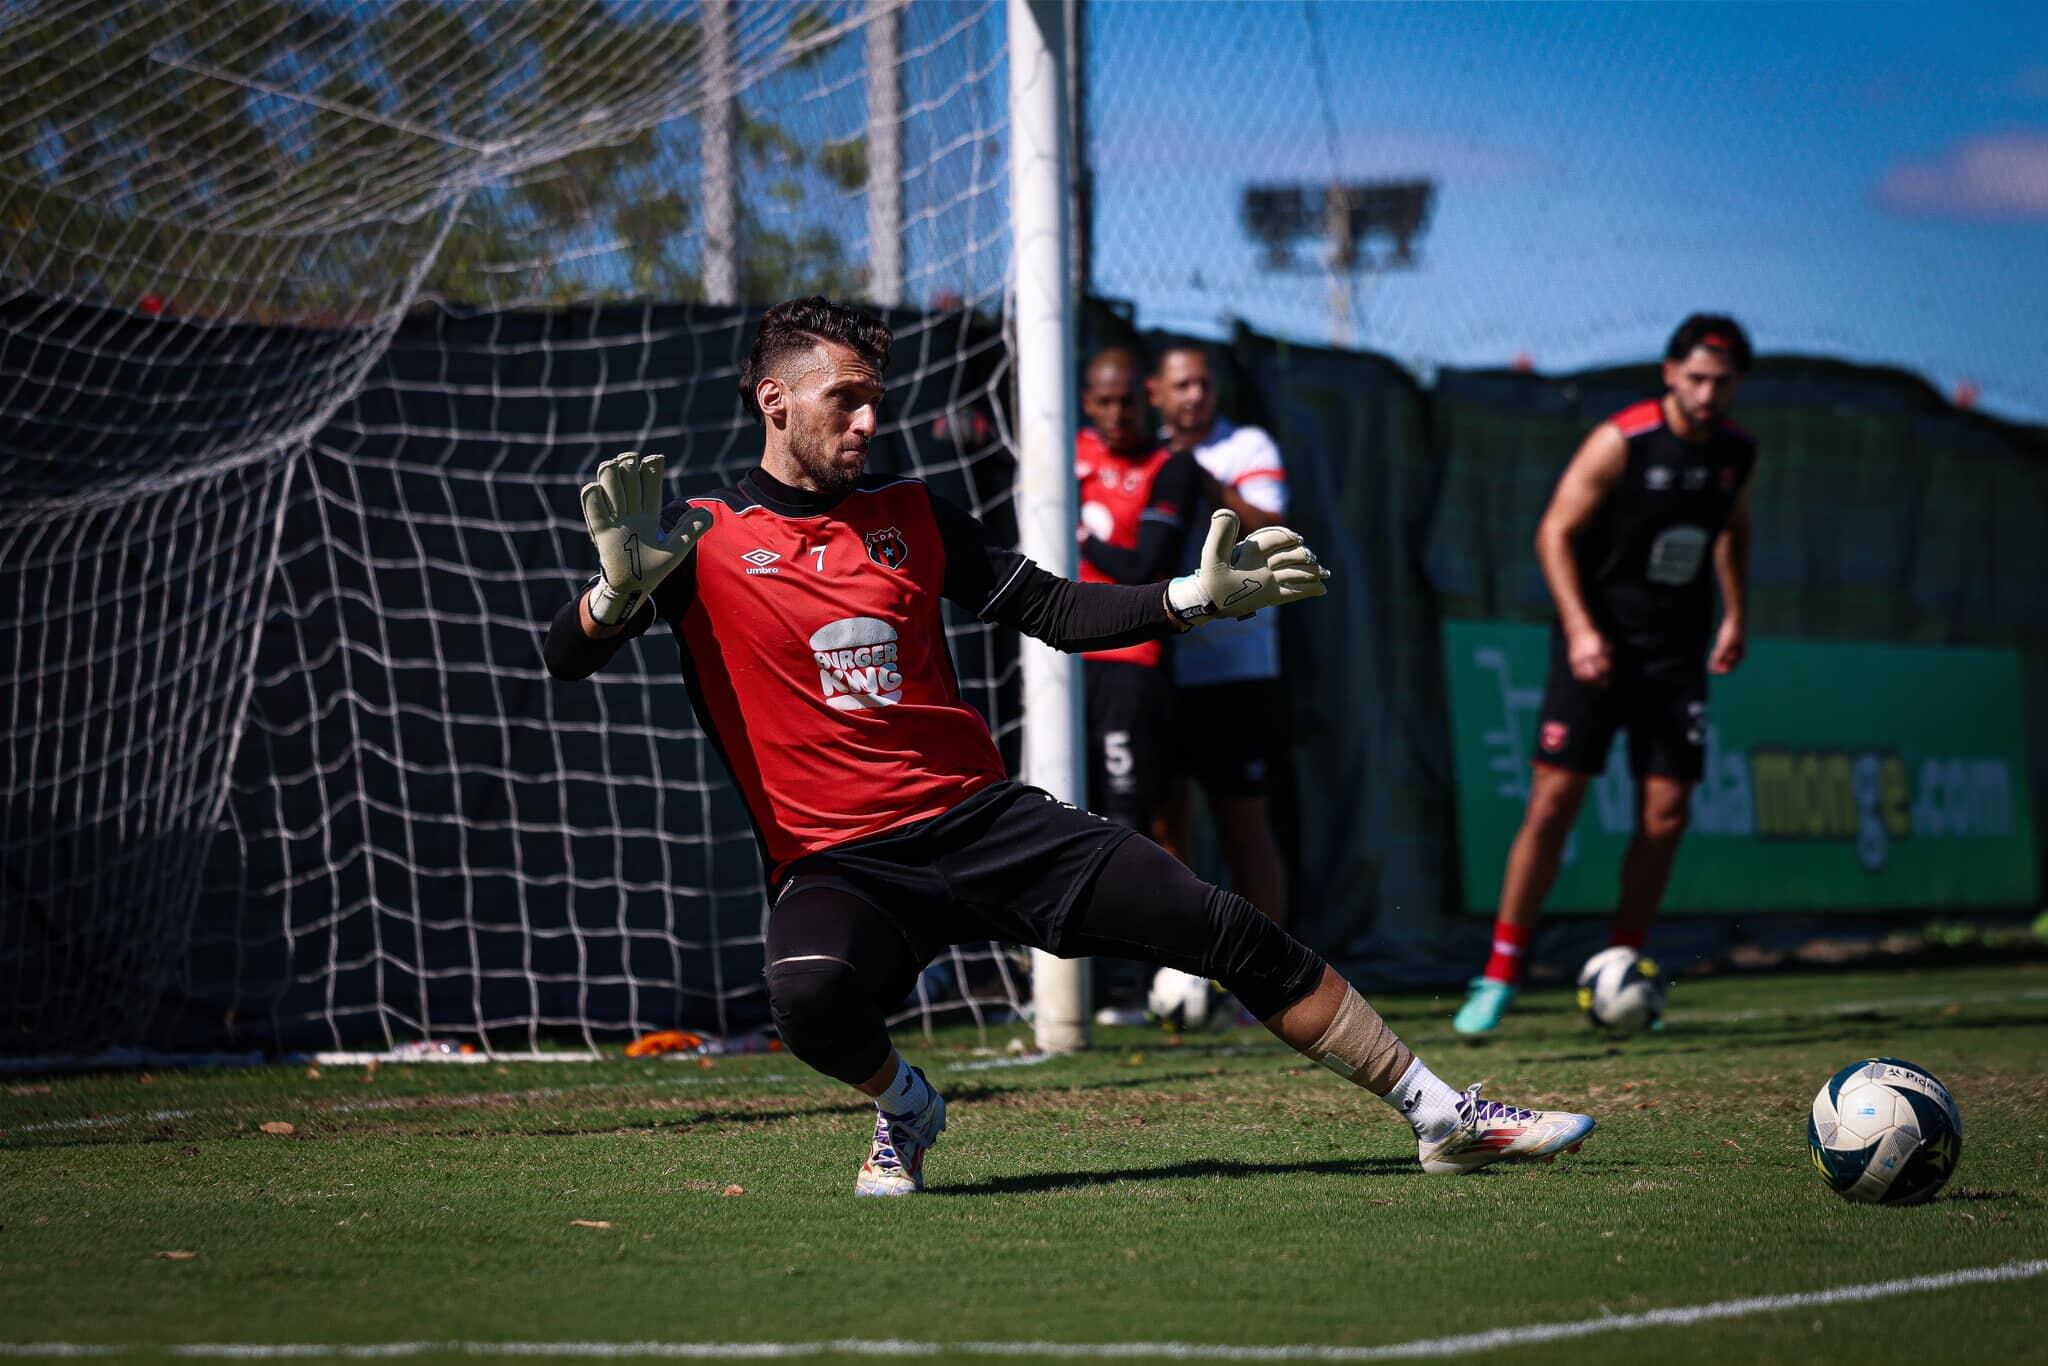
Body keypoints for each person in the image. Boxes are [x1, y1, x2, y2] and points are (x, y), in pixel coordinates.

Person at [545, 296, 1594, 1195]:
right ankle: (906, 1107)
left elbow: (1053, 608)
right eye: (844, 399)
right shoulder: (691, 537)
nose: (869, 419)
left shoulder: (915, 512)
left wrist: (1187, 597)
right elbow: (564, 657)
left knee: (1222, 924)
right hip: (836, 863)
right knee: (809, 997)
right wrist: (611, 595)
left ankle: (1440, 1112)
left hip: (982, 821)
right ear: (774, 400)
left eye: (877, 398)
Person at [1453, 314, 1758, 1037]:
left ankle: (1623, 964)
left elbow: (1733, 529)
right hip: (1596, 648)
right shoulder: (1621, 441)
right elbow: (1553, 532)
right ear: (1670, 374)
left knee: (1667, 815)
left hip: (1675, 657)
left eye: (1722, 382)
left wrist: (1736, 615)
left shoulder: (1737, 453)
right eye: (1696, 378)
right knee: (1553, 805)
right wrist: (1584, 630)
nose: (1708, 393)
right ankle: (1498, 973)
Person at [1146, 345, 1293, 932]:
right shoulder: (1142, 456)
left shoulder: (1247, 448)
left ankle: (1270, 978)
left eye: (1203, 384)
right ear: (1155, 392)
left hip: (1237, 668)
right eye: (1180, 386)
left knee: (1243, 825)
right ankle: (1179, 974)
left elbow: (1274, 530)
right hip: (1158, 664)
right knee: (1163, 830)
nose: (1194, 396)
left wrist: (1198, 478)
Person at [1074, 347, 1200, 836]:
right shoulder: (1066, 451)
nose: (1116, 414)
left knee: (1126, 819)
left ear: (1145, 398)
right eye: (1104, 402)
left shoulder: (1170, 467)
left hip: (1130, 663)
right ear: (1086, 401)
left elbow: (1146, 566)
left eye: (1125, 401)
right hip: (1060, 656)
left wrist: (1078, 534)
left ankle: (1137, 913)